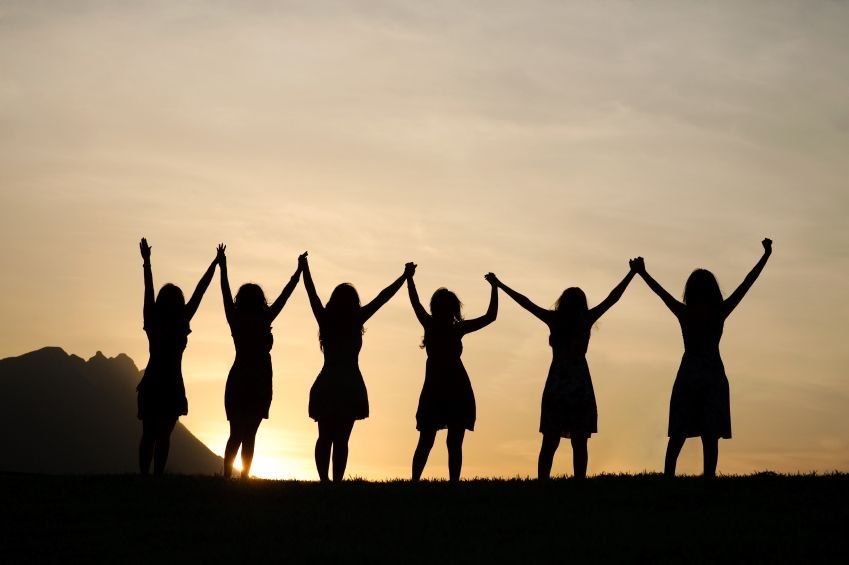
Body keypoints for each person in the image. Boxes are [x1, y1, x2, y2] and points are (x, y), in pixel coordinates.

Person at [631, 238, 773, 477]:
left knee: (680, 431)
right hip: (711, 374)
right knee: (709, 432)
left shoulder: (685, 312)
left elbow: (660, 293)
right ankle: (707, 477)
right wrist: (766, 255)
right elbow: (747, 283)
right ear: (713, 291)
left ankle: (669, 476)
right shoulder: (718, 312)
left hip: (690, 374)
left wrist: (642, 273)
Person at [492, 265, 637, 479]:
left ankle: (543, 482)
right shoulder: (584, 319)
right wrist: (632, 274)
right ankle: (578, 481)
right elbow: (612, 298)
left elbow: (526, 303)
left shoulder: (556, 319)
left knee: (550, 439)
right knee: (579, 440)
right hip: (579, 382)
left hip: (558, 381)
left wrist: (500, 285)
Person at [301, 252, 416, 482]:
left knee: (325, 436)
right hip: (349, 382)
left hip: (329, 381)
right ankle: (335, 483)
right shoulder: (356, 319)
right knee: (341, 438)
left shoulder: (327, 319)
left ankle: (325, 482)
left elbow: (311, 294)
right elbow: (383, 297)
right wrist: (404, 277)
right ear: (353, 302)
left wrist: (304, 268)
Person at [217, 244, 303, 478]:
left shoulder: (235, 319)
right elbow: (285, 296)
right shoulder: (265, 318)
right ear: (260, 300)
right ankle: (243, 478)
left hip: (239, 379)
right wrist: (298, 273)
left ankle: (227, 476)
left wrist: (222, 267)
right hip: (259, 381)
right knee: (249, 435)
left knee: (235, 433)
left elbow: (225, 293)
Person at [407, 271, 498, 482]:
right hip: (451, 387)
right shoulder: (452, 328)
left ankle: (417, 482)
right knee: (447, 440)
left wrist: (409, 278)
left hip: (444, 387)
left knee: (431, 439)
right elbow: (490, 316)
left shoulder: (433, 325)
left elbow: (415, 302)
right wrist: (495, 287)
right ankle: (448, 482)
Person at [137, 238, 218, 475]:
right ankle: (157, 477)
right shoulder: (180, 321)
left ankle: (146, 477)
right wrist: (214, 264)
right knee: (162, 436)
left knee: (150, 434)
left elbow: (148, 290)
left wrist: (147, 263)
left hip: (153, 382)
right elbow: (200, 292)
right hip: (170, 383)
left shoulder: (153, 319)